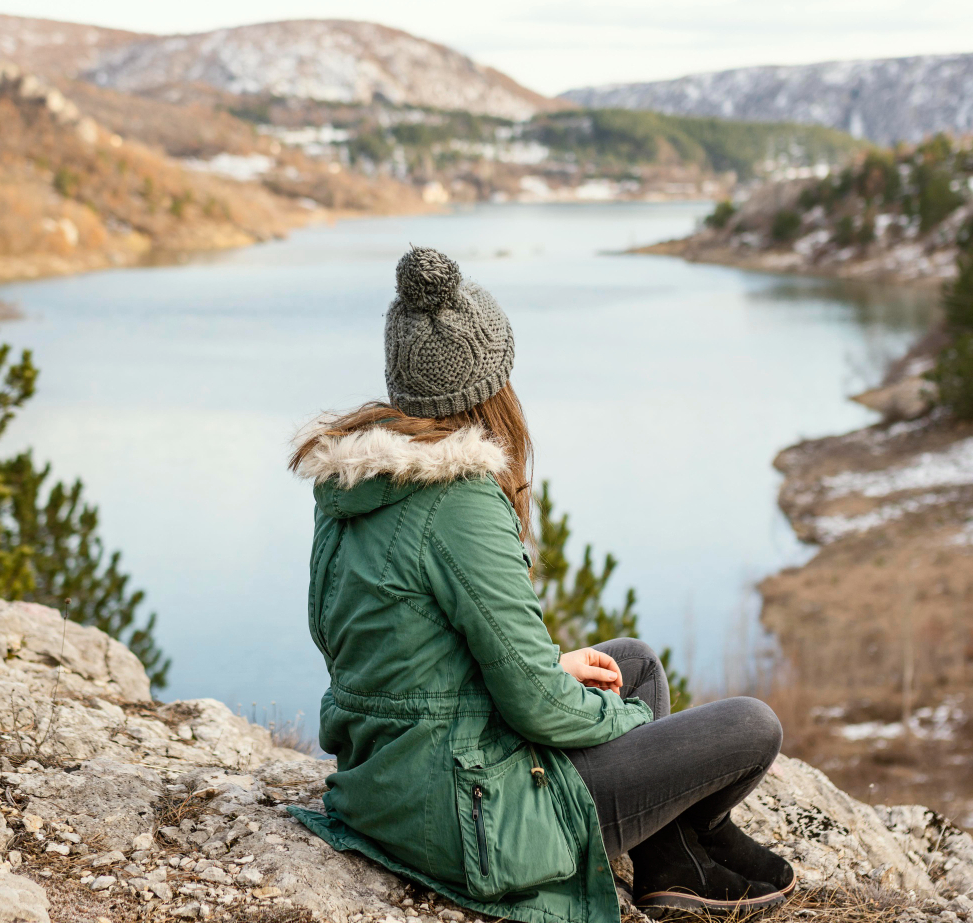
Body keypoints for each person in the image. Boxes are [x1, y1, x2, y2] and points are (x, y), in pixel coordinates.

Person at [288, 247, 795, 923]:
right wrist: (636, 729)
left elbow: (393, 652)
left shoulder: (354, 486)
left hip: (390, 779)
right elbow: (537, 708)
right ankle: (686, 849)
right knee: (750, 726)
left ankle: (678, 860)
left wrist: (562, 674)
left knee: (633, 662)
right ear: (490, 383)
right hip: (467, 817)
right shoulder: (459, 499)